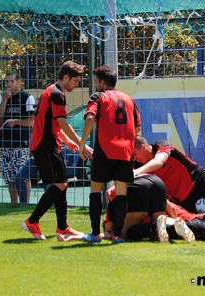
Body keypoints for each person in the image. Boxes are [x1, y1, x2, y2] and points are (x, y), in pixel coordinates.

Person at [21, 61, 93, 241]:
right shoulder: (56, 94)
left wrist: (68, 141)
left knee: (62, 183)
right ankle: (32, 221)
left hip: (48, 144)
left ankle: (63, 228)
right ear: (66, 77)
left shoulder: (52, 91)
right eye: (75, 81)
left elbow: (53, 124)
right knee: (60, 183)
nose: (76, 85)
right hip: (44, 146)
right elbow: (62, 122)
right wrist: (81, 142)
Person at [78, 65, 141, 244]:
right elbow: (137, 127)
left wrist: (82, 144)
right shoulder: (129, 99)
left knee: (95, 190)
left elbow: (90, 117)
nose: (95, 85)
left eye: (96, 81)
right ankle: (117, 235)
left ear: (103, 82)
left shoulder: (98, 96)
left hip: (105, 150)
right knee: (121, 193)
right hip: (124, 153)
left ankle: (95, 234)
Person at [0, 72, 36, 203]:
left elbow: (32, 121)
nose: (8, 84)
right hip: (6, 143)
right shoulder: (3, 97)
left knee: (23, 176)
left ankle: (25, 203)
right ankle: (14, 204)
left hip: (21, 144)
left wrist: (16, 121)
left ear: (19, 82)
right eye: (7, 82)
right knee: (9, 177)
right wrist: (6, 100)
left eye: (11, 81)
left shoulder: (27, 97)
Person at [99, 174, 168, 242]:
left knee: (122, 235)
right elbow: (170, 207)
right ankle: (171, 227)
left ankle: (164, 227)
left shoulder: (112, 213)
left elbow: (107, 231)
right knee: (157, 229)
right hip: (158, 182)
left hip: (138, 187)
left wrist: (109, 233)